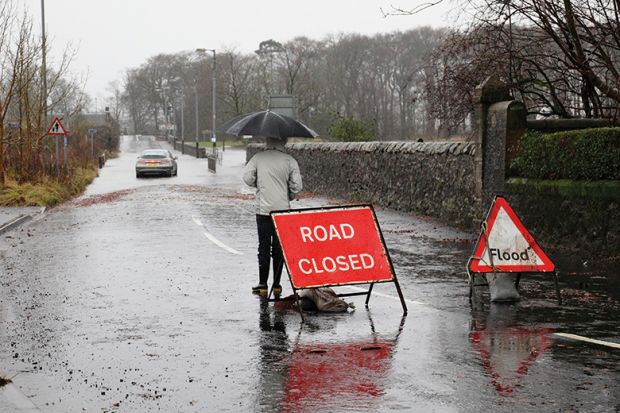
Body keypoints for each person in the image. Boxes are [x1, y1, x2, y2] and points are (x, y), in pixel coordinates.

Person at [243, 137, 302, 297]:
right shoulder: (290, 160)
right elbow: (297, 185)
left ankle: (262, 284)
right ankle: (277, 284)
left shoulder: (258, 158)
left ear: (267, 141)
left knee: (263, 246)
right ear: (282, 142)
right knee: (278, 248)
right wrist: (288, 191)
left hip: (263, 210)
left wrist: (259, 184)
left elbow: (247, 178)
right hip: (282, 211)